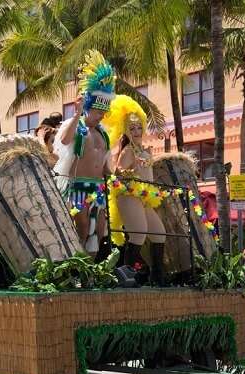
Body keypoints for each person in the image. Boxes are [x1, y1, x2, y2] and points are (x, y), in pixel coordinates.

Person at [54, 50, 115, 257]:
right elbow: (63, 141)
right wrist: (77, 112)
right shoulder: (75, 126)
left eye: (103, 113)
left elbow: (105, 166)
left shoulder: (103, 133)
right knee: (80, 229)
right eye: (98, 112)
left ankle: (91, 273)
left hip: (98, 188)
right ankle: (78, 271)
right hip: (77, 186)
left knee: (97, 232)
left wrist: (115, 176)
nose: (101, 116)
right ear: (89, 108)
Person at [103, 95, 167, 285]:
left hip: (145, 196)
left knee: (159, 233)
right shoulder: (128, 151)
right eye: (132, 128)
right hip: (128, 194)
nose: (137, 131)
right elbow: (117, 173)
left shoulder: (144, 150)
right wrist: (131, 169)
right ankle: (124, 276)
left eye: (139, 127)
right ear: (126, 131)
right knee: (139, 232)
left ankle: (157, 276)